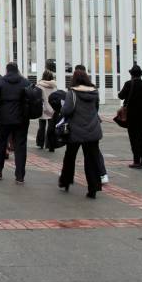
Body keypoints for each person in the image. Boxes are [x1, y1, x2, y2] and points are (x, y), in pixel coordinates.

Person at [58, 69, 104, 199]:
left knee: (70, 156)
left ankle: (65, 181)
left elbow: (66, 111)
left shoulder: (72, 92)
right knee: (92, 159)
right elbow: (96, 109)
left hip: (75, 130)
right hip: (93, 129)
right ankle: (93, 188)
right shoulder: (94, 92)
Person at [0, 62, 33, 183]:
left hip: (3, 118)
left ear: (7, 71)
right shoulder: (25, 82)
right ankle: (20, 175)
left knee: (1, 144)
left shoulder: (0, 82)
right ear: (17, 70)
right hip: (21, 118)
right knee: (20, 146)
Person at [118, 64, 142, 169]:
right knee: (140, 136)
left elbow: (120, 95)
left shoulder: (128, 84)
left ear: (131, 74)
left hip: (132, 115)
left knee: (134, 138)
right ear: (141, 74)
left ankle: (136, 160)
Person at [35, 70, 58, 151]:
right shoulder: (54, 86)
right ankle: (50, 145)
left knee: (42, 127)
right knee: (51, 127)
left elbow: (37, 98)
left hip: (43, 108)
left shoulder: (39, 86)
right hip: (52, 109)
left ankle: (40, 143)